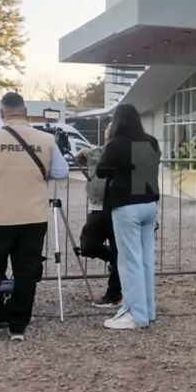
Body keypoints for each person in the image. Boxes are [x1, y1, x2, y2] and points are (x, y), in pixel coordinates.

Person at [0, 92, 70, 344]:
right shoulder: (46, 139)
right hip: (33, 216)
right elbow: (61, 171)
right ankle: (18, 327)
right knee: (26, 273)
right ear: (26, 113)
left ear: (2, 114)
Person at [94, 104, 161, 330]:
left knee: (129, 261)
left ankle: (134, 314)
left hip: (126, 205)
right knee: (145, 261)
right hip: (148, 203)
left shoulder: (116, 144)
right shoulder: (151, 141)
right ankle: (147, 310)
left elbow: (101, 171)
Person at [75, 121, 122, 308]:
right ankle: (112, 259)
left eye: (113, 127)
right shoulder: (95, 152)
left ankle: (114, 294)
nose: (108, 130)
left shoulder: (120, 152)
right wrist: (82, 153)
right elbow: (84, 155)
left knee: (118, 250)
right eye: (107, 127)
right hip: (96, 208)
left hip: (115, 206)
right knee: (88, 245)